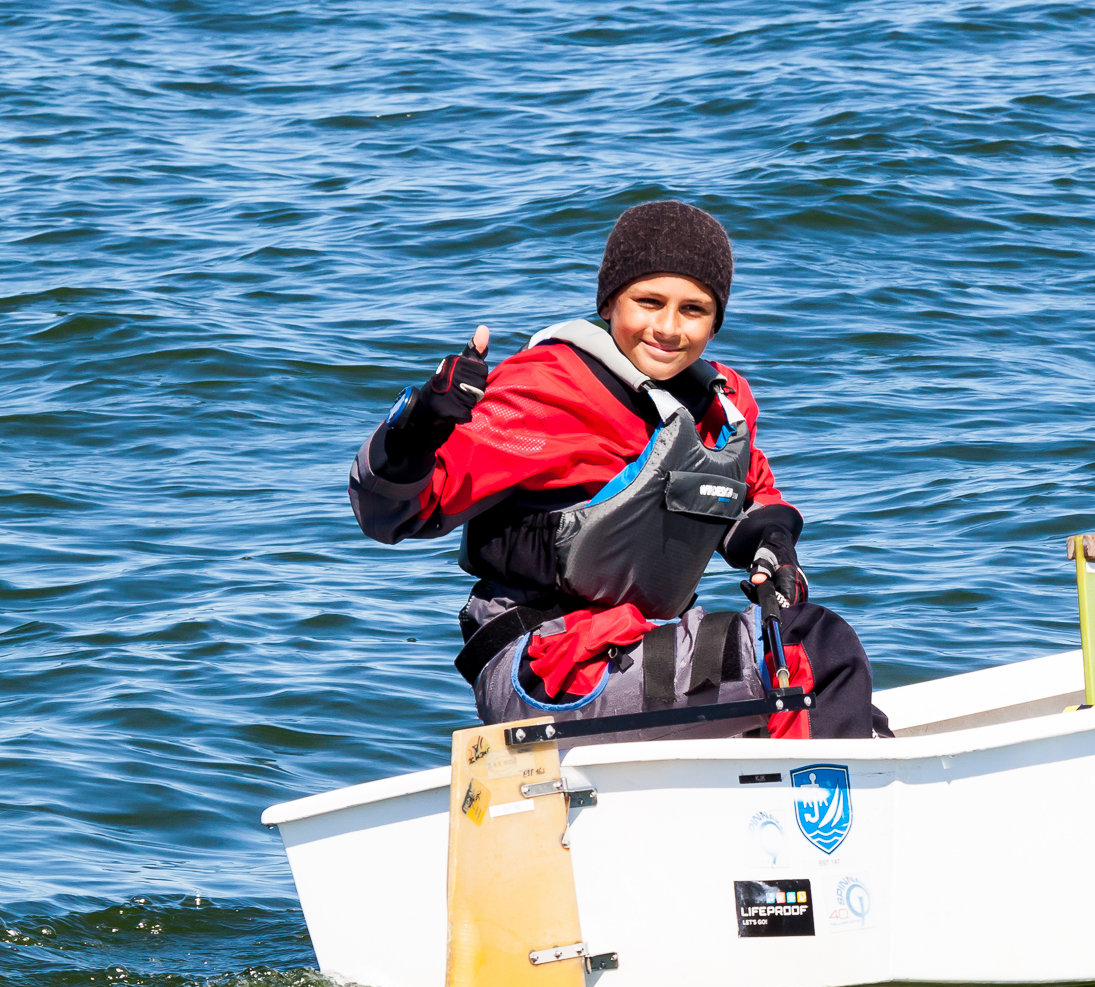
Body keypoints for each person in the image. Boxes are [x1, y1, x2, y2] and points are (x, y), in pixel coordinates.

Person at [348, 201, 889, 741]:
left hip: (639, 647)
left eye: (693, 310)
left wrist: (771, 540)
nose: (668, 328)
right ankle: (830, 820)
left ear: (716, 321)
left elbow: (747, 493)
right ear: (609, 301)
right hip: (544, 668)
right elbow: (390, 514)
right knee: (813, 651)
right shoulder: (549, 389)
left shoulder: (722, 404)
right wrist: (416, 431)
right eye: (649, 302)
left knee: (840, 695)